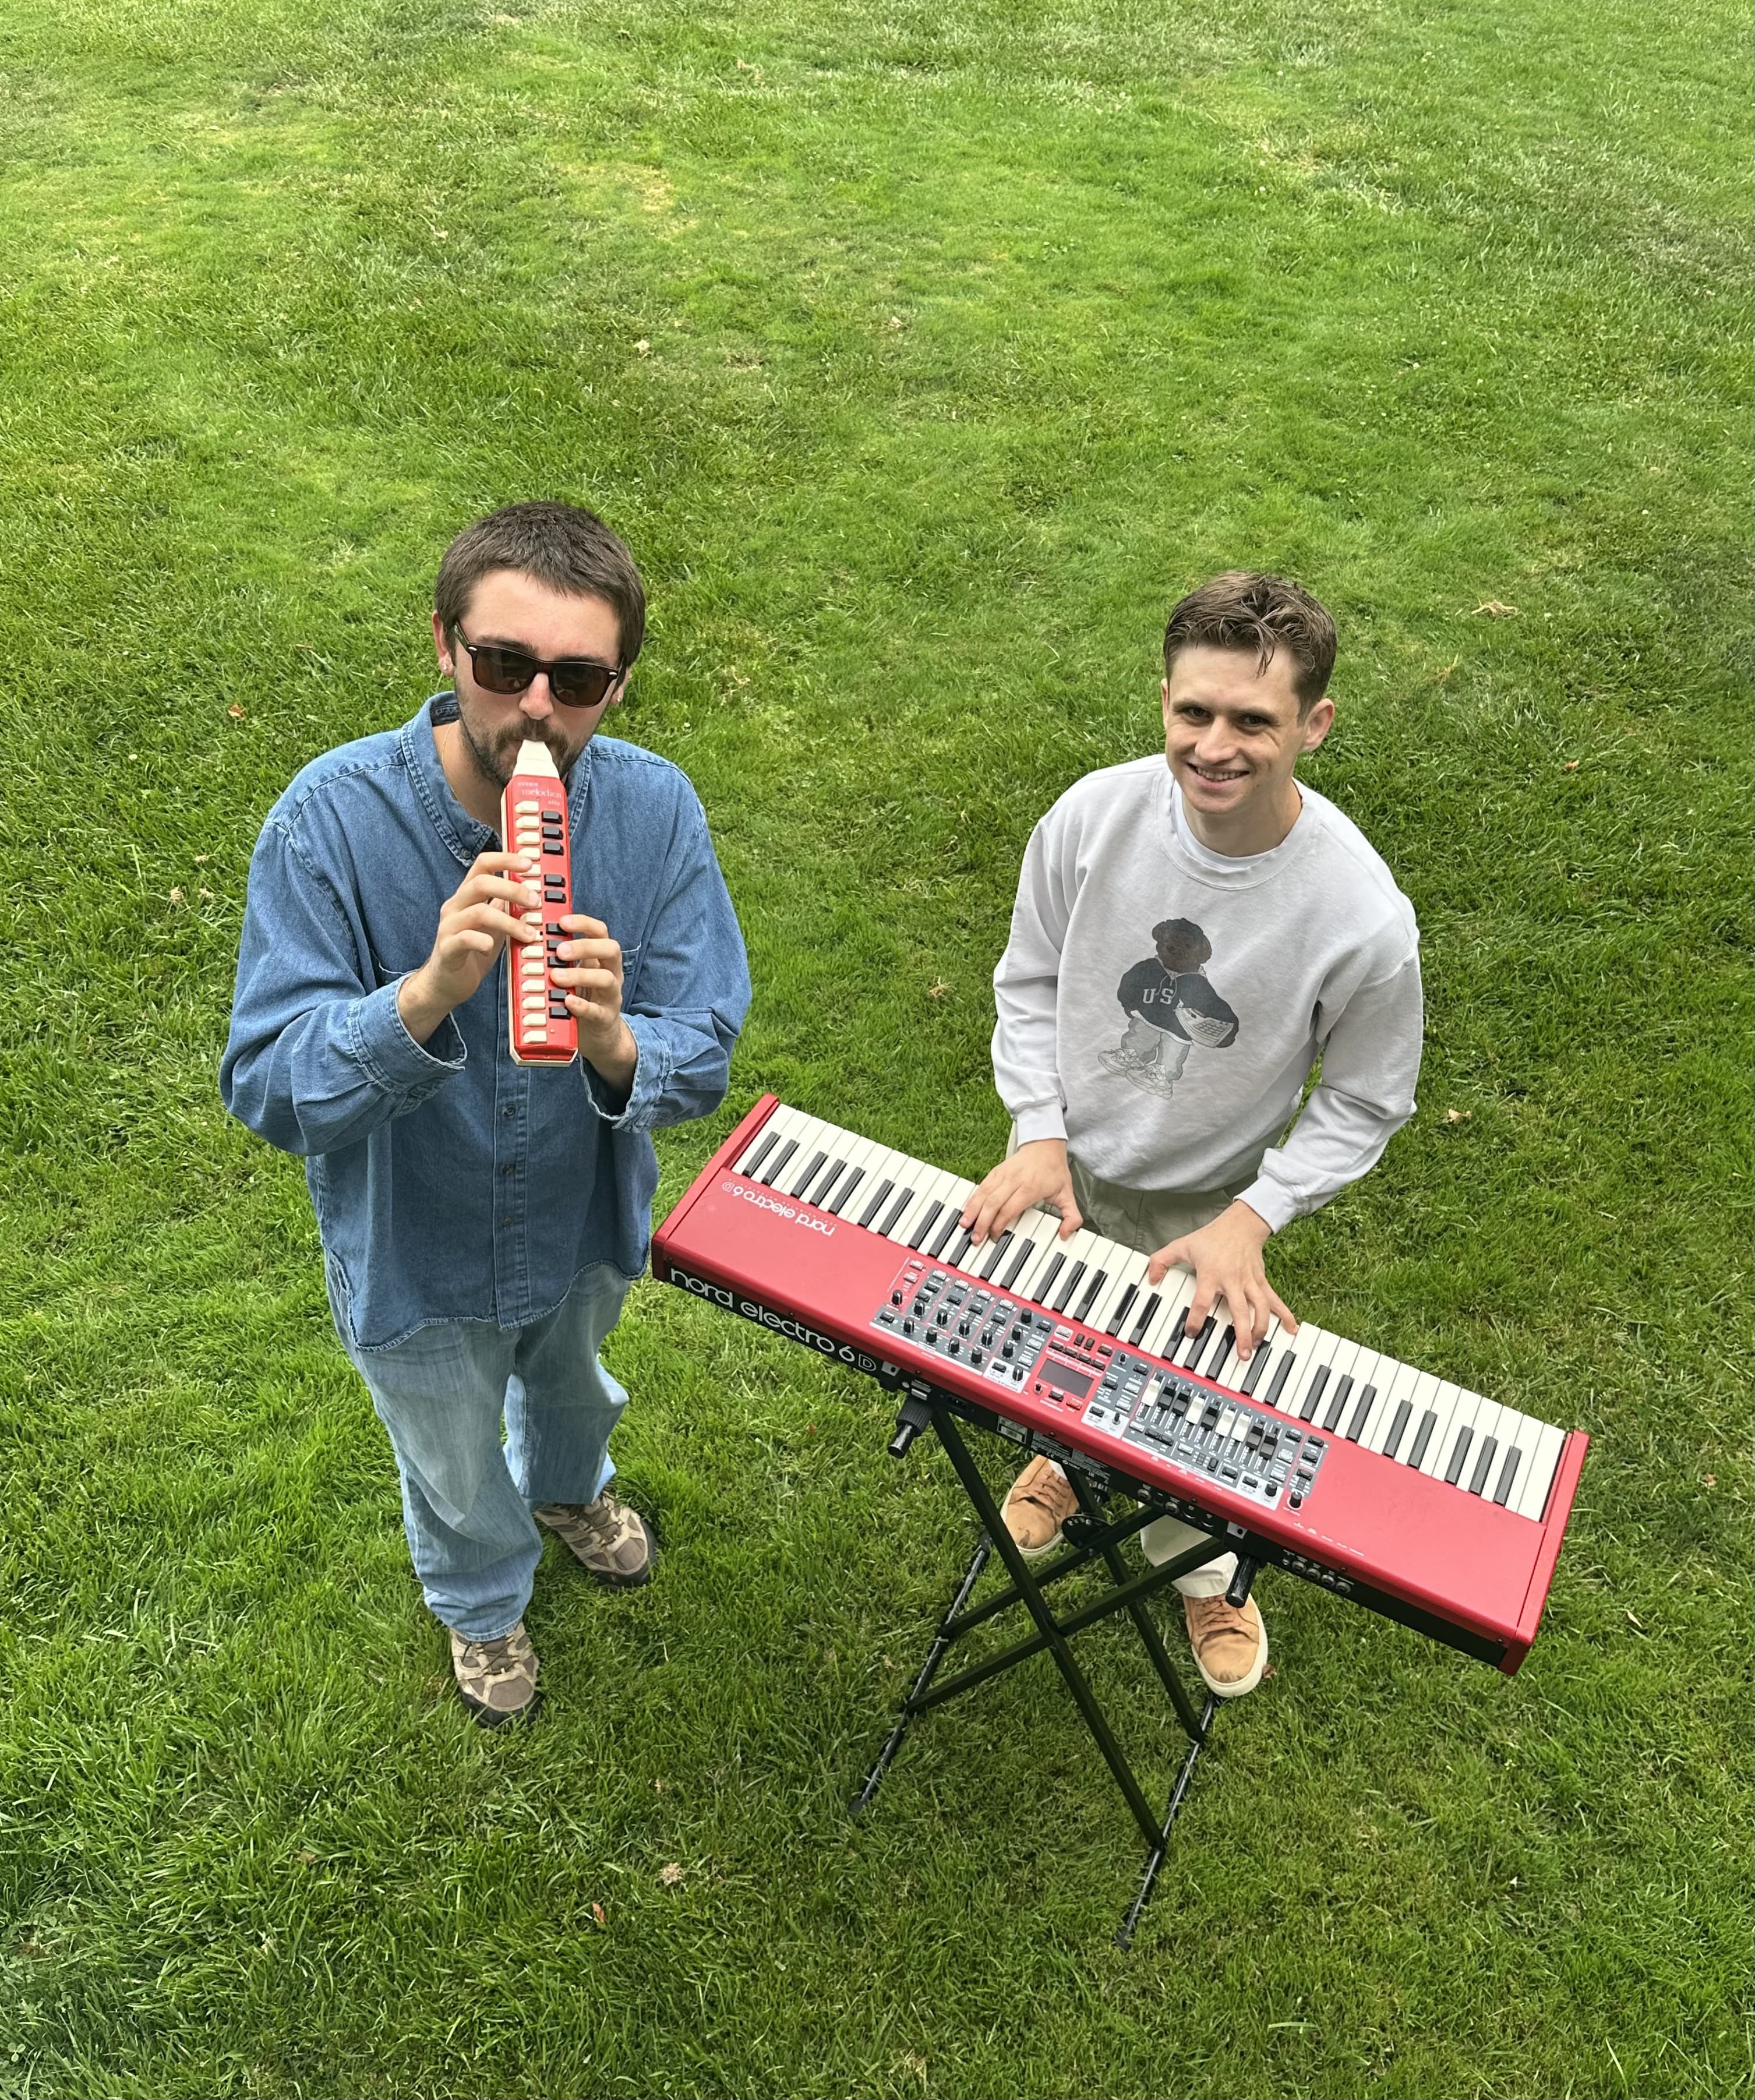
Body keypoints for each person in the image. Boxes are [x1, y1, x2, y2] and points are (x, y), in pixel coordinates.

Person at [221, 501, 750, 1726]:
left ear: (617, 687)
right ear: (445, 646)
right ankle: (481, 1599)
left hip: (579, 1217)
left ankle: (567, 1489)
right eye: (504, 665)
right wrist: (422, 997)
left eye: (579, 680)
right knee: (452, 1454)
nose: (536, 709)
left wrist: (619, 1039)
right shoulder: (329, 820)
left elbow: (705, 1044)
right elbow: (268, 1083)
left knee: (573, 1390)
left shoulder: (656, 810)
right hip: (416, 1238)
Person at [958, 571, 1422, 1700]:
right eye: (1192, 712)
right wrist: (1036, 1131)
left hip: (1205, 1203)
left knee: (1188, 1401)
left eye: (1252, 721)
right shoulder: (1090, 816)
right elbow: (1027, 980)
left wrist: (1254, 1217)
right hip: (1062, 1161)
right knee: (1064, 1342)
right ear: (1164, 700)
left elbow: (1365, 1099)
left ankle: (1203, 1568)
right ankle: (1068, 1460)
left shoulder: (1361, 916)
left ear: (1313, 723)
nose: (1214, 747)